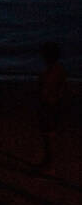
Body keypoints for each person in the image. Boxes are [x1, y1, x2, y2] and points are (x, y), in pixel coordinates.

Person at [37, 42, 67, 174]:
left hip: (49, 106)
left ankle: (50, 165)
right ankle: (47, 162)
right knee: (48, 135)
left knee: (48, 136)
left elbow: (46, 91)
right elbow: (62, 89)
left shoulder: (50, 72)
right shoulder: (59, 70)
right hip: (55, 105)